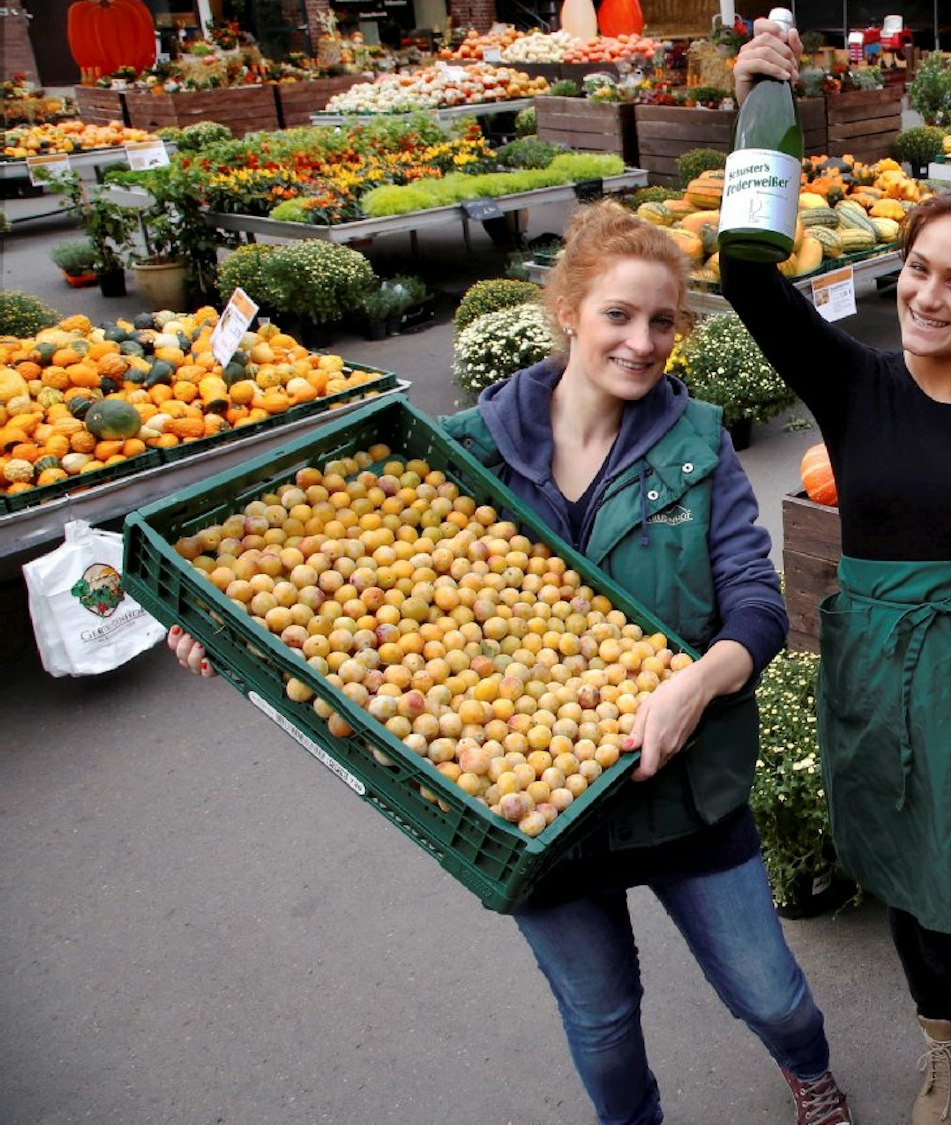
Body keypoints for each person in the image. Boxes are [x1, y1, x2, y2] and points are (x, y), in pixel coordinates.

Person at [166, 201, 855, 1125]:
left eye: (662, 321)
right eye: (618, 314)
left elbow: (757, 605)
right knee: (601, 1017)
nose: (642, 341)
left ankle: (808, 1068)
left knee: (770, 991)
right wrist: (228, 631)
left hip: (686, 786)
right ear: (568, 311)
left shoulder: (699, 446)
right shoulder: (464, 454)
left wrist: (697, 683)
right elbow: (346, 586)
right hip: (534, 810)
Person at [725, 23, 951, 1125]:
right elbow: (745, 271)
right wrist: (757, 103)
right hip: (876, 669)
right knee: (894, 870)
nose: (930, 296)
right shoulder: (854, 382)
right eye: (920, 270)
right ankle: (940, 1046)